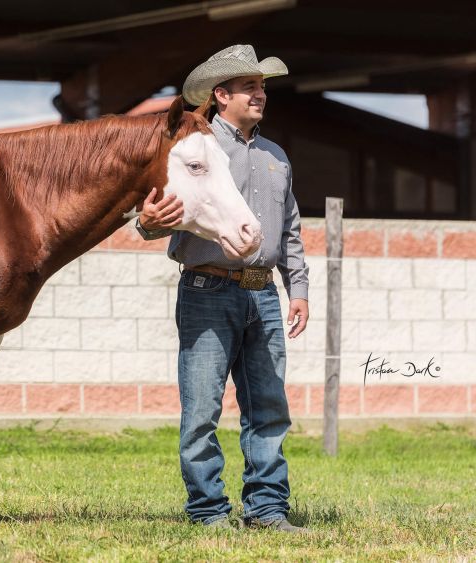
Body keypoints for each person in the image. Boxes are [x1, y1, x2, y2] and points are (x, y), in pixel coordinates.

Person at [137, 45, 310, 533]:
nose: (260, 95)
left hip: (265, 295)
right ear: (221, 95)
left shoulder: (276, 157)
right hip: (207, 290)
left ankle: (267, 509)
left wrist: (297, 288)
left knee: (270, 408)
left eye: (262, 87)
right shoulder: (195, 146)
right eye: (249, 87)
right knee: (201, 410)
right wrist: (147, 225)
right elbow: (153, 217)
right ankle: (209, 511)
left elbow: (290, 229)